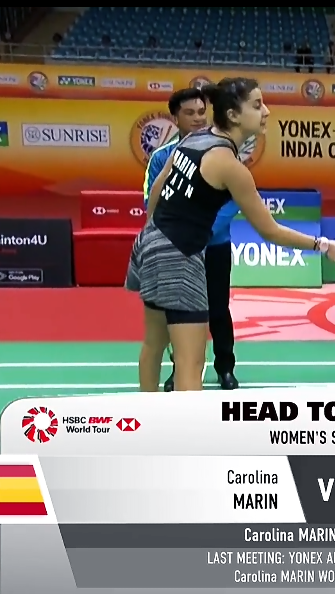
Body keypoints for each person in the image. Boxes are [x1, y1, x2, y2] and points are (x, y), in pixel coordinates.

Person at [128, 77, 335, 392]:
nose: (266, 112)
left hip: (150, 243)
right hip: (180, 255)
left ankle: (144, 415)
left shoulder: (194, 138)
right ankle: (185, 426)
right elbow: (270, 231)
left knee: (154, 344)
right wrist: (323, 245)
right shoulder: (231, 167)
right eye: (257, 105)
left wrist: (155, 230)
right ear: (232, 115)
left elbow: (159, 185)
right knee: (190, 364)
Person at [144, 88, 240, 391]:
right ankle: (181, 371)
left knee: (219, 309)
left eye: (201, 112)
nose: (198, 118)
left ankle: (225, 367)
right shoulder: (161, 157)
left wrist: (204, 231)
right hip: (179, 250)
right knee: (180, 314)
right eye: (190, 113)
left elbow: (233, 201)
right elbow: (152, 200)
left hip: (214, 246)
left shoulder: (223, 151)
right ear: (175, 118)